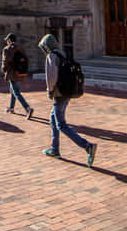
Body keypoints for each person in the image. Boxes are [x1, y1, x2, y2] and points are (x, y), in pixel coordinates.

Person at [38, 33, 97, 166]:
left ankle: (87, 146)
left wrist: (50, 91)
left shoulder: (52, 56)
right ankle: (54, 148)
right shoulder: (62, 53)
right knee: (53, 118)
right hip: (67, 91)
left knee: (61, 124)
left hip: (59, 92)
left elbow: (51, 76)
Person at [1, 33, 33, 120]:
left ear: (10, 40)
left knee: (16, 91)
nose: (7, 41)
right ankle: (11, 107)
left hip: (11, 72)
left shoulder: (7, 49)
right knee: (13, 90)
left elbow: (5, 61)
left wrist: (3, 70)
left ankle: (27, 108)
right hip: (20, 71)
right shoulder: (21, 47)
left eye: (7, 40)